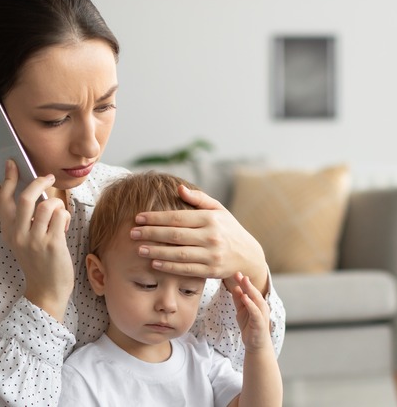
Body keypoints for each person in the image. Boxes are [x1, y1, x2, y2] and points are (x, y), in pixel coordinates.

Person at [0, 0, 285, 405]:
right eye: (55, 119)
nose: (91, 144)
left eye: (105, 106)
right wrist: (44, 298)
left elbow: (215, 372)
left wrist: (254, 269)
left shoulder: (123, 198)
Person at [59, 172, 283, 406]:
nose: (168, 304)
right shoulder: (81, 378)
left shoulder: (203, 361)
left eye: (188, 291)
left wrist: (258, 349)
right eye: (147, 285)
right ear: (99, 276)